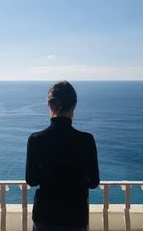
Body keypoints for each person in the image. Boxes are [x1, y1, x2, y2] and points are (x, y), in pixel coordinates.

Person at [26, 81, 100, 231]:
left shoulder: (36, 140)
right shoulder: (86, 140)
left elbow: (32, 180)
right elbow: (94, 182)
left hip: (44, 217)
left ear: (49, 104)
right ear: (74, 105)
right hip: (76, 217)